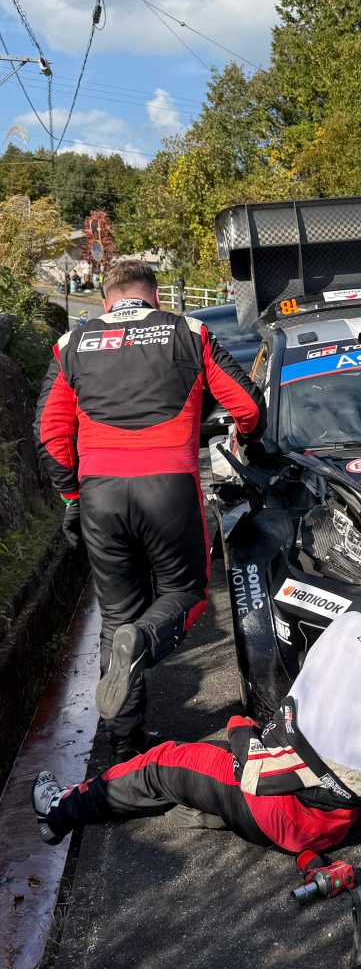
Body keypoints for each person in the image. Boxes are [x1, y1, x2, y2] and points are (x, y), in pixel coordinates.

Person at [33, 260, 266, 763]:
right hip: (168, 487)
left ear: (106, 300)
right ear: (155, 297)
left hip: (99, 494)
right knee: (187, 594)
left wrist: (71, 499)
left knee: (116, 617)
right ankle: (142, 640)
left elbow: (50, 435)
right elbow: (247, 406)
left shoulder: (71, 343)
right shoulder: (189, 331)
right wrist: (250, 441)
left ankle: (125, 750)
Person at [31, 612, 361, 852]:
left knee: (160, 763)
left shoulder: (355, 625)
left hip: (276, 808)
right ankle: (209, 808)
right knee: (219, 763)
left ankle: (56, 813)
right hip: (330, 829)